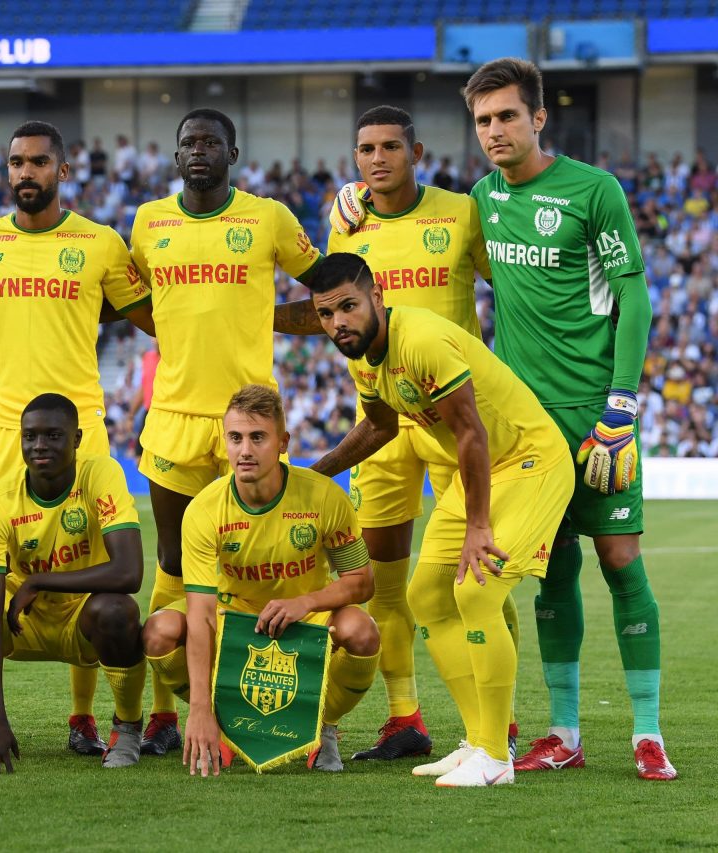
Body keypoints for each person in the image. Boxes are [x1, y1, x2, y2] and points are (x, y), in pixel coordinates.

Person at [464, 58, 674, 781]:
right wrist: (358, 199)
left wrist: (623, 401)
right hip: (527, 426)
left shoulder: (594, 190)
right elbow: (423, 229)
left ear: (538, 118)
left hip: (597, 416)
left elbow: (634, 295)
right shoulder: (483, 197)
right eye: (483, 120)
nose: (495, 130)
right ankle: (564, 733)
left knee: (620, 560)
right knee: (550, 570)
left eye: (507, 115)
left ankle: (648, 732)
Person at [309, 252, 573, 787]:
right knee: (427, 596)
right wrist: (313, 475)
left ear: (376, 297)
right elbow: (380, 426)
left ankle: (496, 757)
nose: (338, 323)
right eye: (326, 314)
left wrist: (478, 528)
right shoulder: (363, 358)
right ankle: (478, 742)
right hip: (485, 471)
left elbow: (471, 430)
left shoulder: (422, 340)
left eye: (348, 307)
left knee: (476, 591)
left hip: (531, 462)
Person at [0, 120, 153, 756]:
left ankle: (85, 717)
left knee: (87, 565)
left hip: (77, 424)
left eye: (37, 162)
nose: (25, 172)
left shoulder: (101, 242)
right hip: (0, 429)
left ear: (62, 170)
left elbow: (143, 312)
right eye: (16, 163)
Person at [321, 105, 514, 761]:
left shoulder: (461, 213)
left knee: (478, 574)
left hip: (454, 420)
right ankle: (404, 718)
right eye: (366, 149)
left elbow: (512, 287)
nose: (377, 159)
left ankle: (501, 721)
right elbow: (332, 308)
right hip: (381, 419)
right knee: (383, 579)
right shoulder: (347, 223)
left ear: (417, 152)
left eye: (390, 147)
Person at [129, 108, 322, 755]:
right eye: (189, 142)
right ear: (175, 155)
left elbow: (326, 286)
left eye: (211, 141)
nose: (199, 150)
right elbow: (134, 302)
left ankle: (300, 711)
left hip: (250, 420)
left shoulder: (269, 218)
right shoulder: (148, 222)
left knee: (270, 565)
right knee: (172, 563)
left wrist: (271, 318)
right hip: (174, 417)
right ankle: (162, 714)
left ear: (232, 153)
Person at [143, 385, 379, 775]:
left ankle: (323, 727)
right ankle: (221, 721)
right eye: (235, 438)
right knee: (159, 631)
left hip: (305, 620)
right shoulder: (204, 510)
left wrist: (305, 603)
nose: (245, 450)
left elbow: (362, 581)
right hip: (234, 619)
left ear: (283, 442)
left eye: (258, 437)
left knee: (361, 631)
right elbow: (201, 614)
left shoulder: (323, 497)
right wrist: (199, 709)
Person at [0, 394, 147, 773]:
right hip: (18, 620)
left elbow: (130, 572)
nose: (39, 446)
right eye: (30, 437)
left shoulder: (100, 474)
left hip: (82, 616)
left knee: (117, 610)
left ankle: (127, 727)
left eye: (53, 436)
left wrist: (40, 580)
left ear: (77, 439)